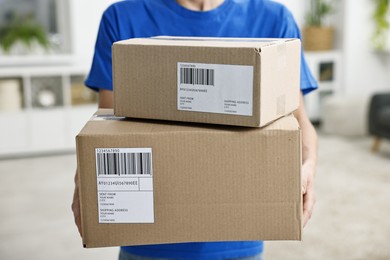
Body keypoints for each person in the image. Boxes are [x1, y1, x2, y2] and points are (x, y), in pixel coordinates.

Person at [72, 0, 318, 259]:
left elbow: (298, 120)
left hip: (237, 237)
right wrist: (87, 179)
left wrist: (308, 166)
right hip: (146, 240)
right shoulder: (122, 18)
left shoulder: (274, 19)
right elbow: (109, 132)